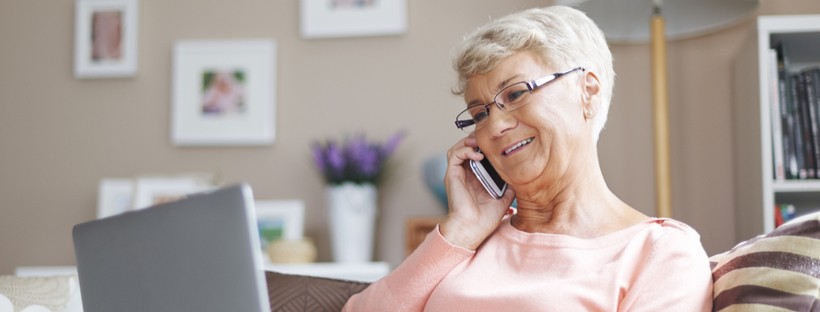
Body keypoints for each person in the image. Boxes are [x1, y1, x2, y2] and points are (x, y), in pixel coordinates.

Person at [343, 5, 713, 311]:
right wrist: (459, 231)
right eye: (480, 113)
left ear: (588, 92)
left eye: (517, 94)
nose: (494, 127)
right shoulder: (465, 242)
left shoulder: (659, 253)